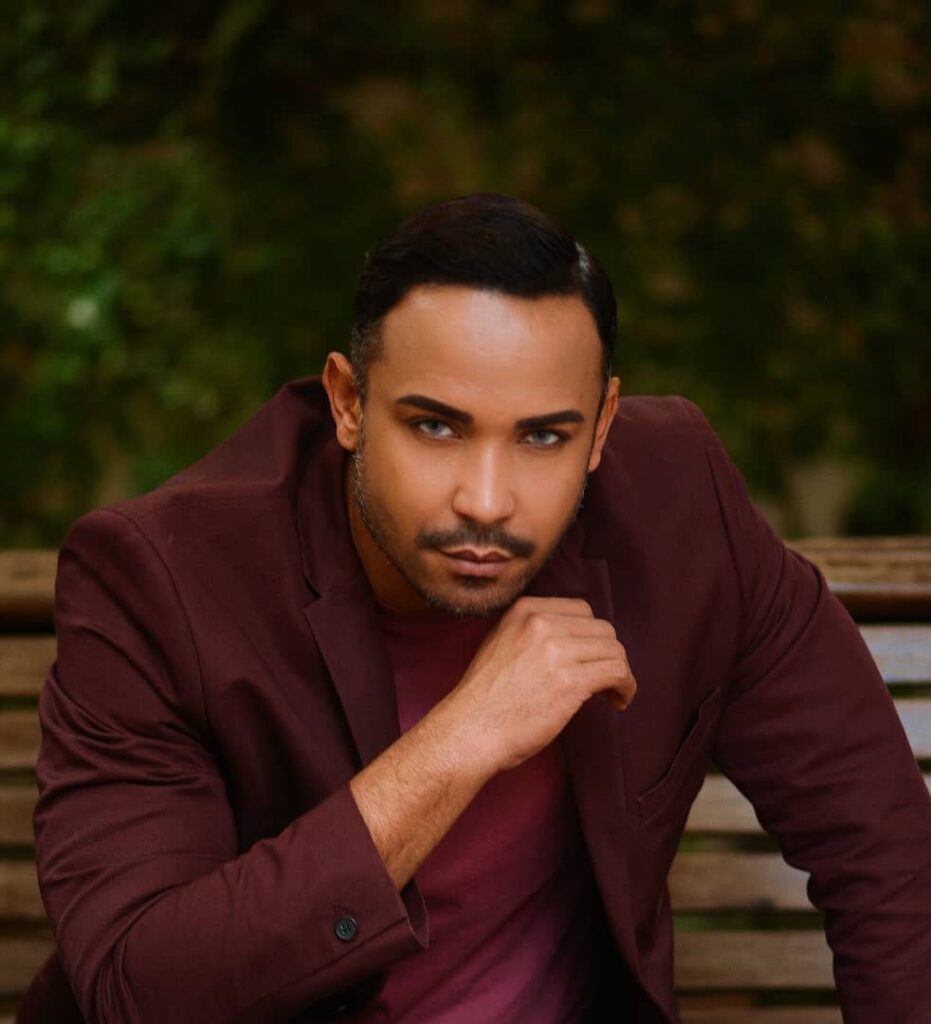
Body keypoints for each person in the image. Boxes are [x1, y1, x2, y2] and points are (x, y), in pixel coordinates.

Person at [23, 194, 931, 1023]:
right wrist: (462, 740)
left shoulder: (676, 503)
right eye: (435, 426)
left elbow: (881, 846)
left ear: (601, 428)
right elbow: (138, 989)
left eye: (543, 437)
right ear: (348, 402)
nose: (486, 502)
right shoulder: (161, 577)